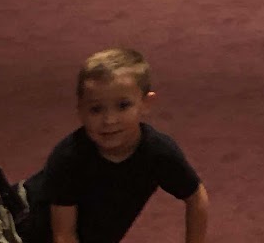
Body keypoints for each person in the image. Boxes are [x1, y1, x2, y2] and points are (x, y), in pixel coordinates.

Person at [18, 47, 209, 243]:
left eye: (123, 106)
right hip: (21, 228)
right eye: (96, 109)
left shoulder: (158, 152)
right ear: (80, 110)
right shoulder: (69, 157)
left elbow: (196, 198)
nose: (109, 120)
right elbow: (64, 235)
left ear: (146, 103)